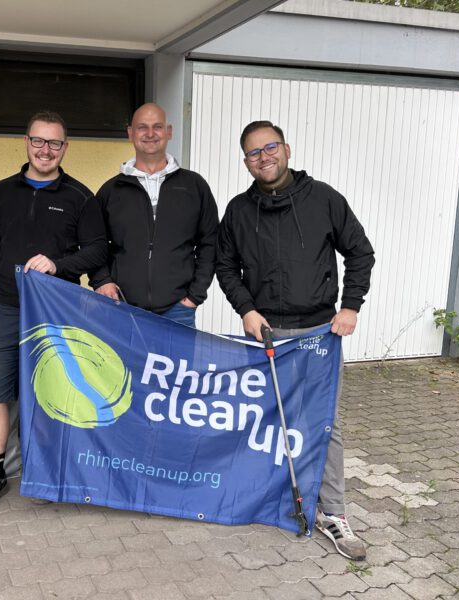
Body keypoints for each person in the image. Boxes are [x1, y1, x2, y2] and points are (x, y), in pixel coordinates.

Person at [216, 120, 375, 560]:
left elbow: (360, 251)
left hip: (318, 334)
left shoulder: (324, 199)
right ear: (245, 161)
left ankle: (334, 514)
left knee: (323, 424)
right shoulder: (237, 211)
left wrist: (351, 306)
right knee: (264, 419)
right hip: (265, 337)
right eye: (253, 152)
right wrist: (247, 310)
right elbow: (225, 267)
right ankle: (269, 499)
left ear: (286, 149)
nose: (263, 157)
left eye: (270, 148)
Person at [0, 111, 107, 517]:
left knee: (50, 392)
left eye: (54, 143)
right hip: (7, 308)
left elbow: (96, 251)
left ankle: (44, 471)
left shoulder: (80, 197)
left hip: (58, 311)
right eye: (39, 141)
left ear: (65, 148)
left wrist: (57, 264)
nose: (45, 150)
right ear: (26, 143)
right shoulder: (1, 193)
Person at [89, 103, 219, 327]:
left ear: (168, 132)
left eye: (157, 127)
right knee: (123, 364)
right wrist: (102, 281)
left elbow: (211, 242)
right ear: (131, 133)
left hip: (178, 312)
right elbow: (94, 242)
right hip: (123, 309)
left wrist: (195, 296)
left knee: (181, 364)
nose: (150, 134)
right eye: (142, 127)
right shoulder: (111, 190)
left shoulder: (194, 186)